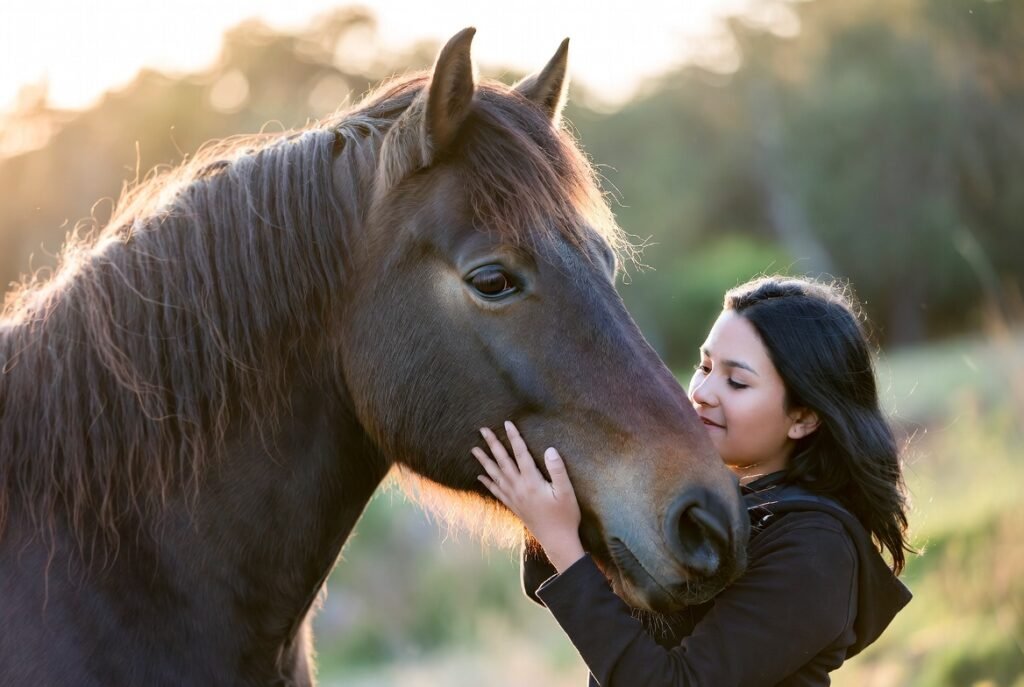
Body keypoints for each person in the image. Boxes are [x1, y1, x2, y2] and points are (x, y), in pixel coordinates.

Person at [473, 275, 913, 686]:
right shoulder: (709, 500)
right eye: (704, 367)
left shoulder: (816, 550)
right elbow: (560, 588)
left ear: (803, 417)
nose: (701, 393)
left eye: (736, 382)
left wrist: (564, 547)